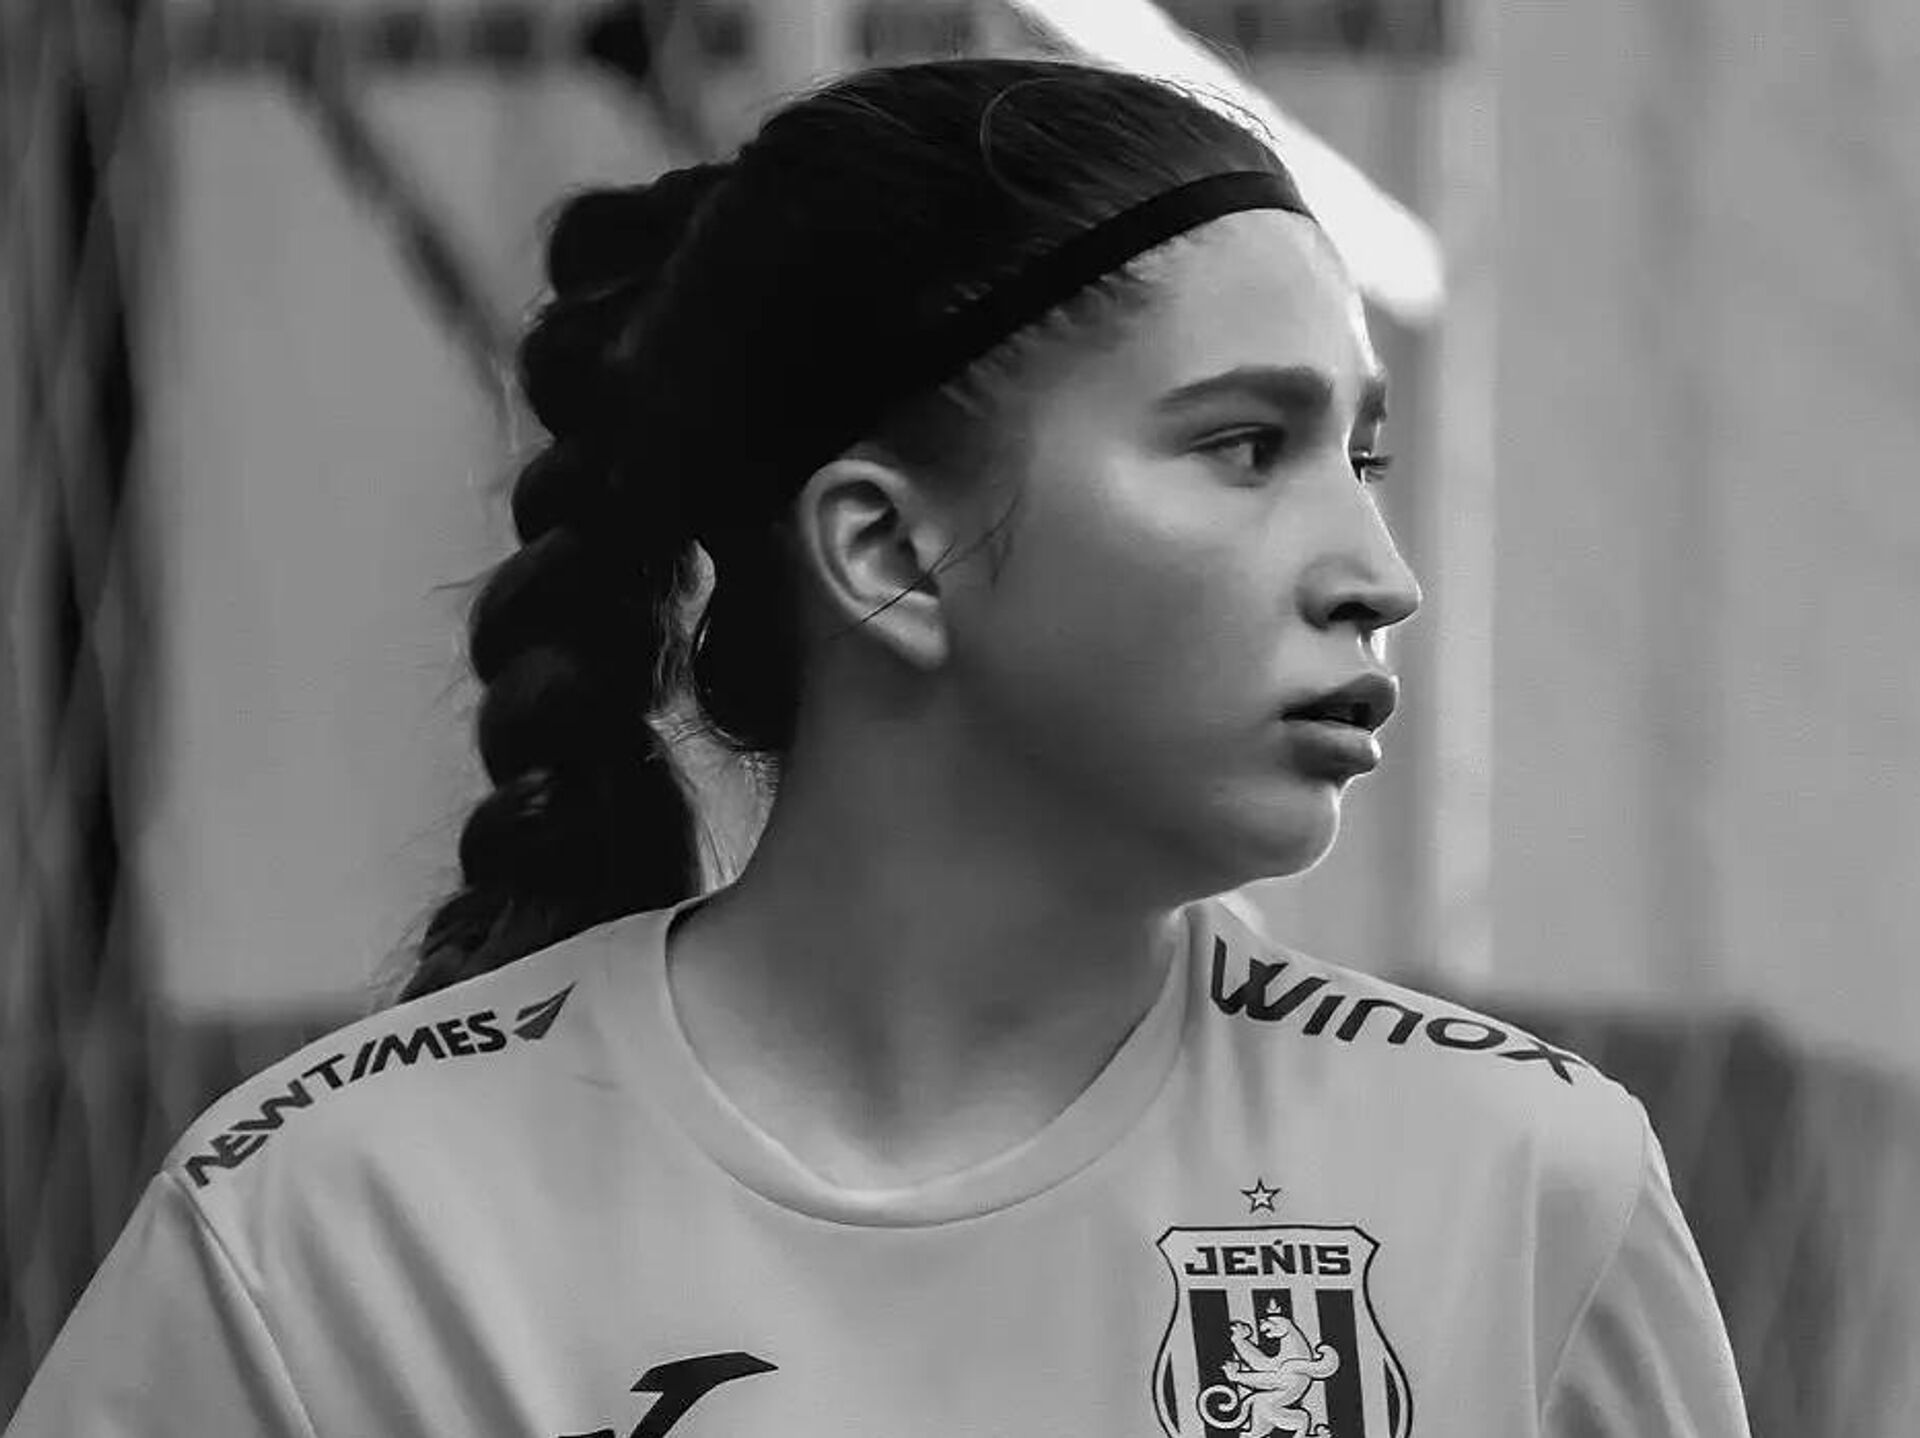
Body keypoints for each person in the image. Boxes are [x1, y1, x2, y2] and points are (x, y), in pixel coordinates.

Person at [7, 56, 1750, 1438]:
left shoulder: (1525, 1187)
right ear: (888, 551)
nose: (1380, 574)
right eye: (1244, 446)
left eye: (1358, 459)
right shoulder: (323, 1230)